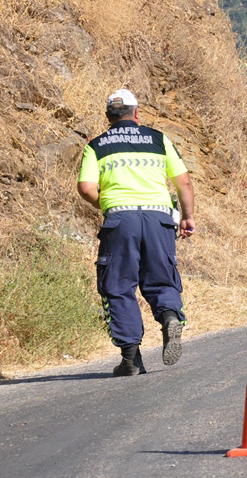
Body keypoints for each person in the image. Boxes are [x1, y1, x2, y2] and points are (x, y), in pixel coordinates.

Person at [77, 89, 195, 375]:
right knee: (162, 278)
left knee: (118, 285)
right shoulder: (158, 140)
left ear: (108, 116)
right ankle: (169, 317)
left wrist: (105, 203)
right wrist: (188, 217)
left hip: (120, 219)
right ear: (137, 113)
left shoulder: (96, 145)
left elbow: (86, 188)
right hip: (159, 219)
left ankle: (131, 360)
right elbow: (184, 182)